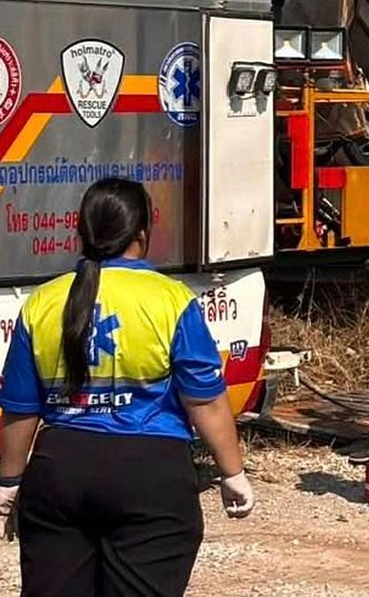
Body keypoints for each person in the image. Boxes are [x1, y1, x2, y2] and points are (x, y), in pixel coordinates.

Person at [0, 179, 254, 597]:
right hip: (150, 477)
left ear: (81, 232)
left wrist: (9, 481)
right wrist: (233, 473)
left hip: (59, 473)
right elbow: (204, 400)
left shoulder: (42, 303)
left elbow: (21, 408)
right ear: (142, 233)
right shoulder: (171, 300)